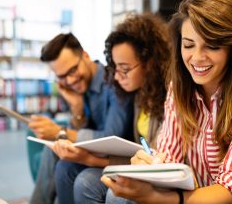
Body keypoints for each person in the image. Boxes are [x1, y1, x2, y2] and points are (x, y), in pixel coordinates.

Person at [101, 0, 232, 203]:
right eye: (188, 45)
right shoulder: (180, 87)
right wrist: (150, 165)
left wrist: (155, 196)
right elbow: (169, 157)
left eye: (212, 46)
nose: (197, 58)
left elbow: (231, 190)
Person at [50, 13, 172, 204]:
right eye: (115, 67)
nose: (116, 76)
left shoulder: (168, 96)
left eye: (124, 68)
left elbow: (154, 161)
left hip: (156, 171)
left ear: (150, 63)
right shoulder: (139, 93)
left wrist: (89, 159)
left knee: (97, 187)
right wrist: (76, 109)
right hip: (136, 163)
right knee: (67, 167)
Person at [29, 33, 134, 204]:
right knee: (58, 154)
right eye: (62, 77)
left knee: (64, 156)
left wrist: (59, 131)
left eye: (72, 70)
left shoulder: (114, 81)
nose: (69, 80)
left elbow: (111, 137)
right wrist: (77, 109)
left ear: (85, 56)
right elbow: (78, 133)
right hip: (98, 153)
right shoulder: (80, 88)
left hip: (119, 156)